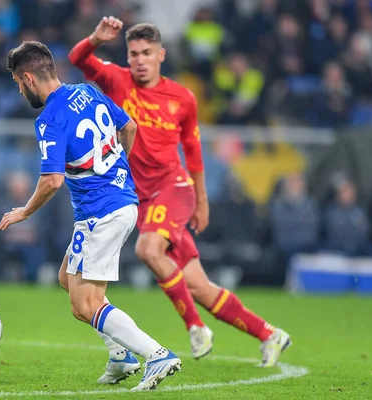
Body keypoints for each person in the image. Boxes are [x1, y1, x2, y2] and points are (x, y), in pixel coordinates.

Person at [68, 16, 291, 372]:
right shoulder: (116, 79)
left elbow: (194, 151)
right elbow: (78, 59)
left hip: (173, 188)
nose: (139, 60)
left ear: (161, 55)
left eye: (146, 53)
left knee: (147, 249)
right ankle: (269, 334)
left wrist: (202, 201)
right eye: (133, 53)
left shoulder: (182, 97)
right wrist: (96, 38)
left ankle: (194, 327)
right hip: (141, 199)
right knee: (200, 288)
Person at [0, 41, 181, 391]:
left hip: (102, 212)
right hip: (117, 201)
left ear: (28, 78)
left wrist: (24, 211)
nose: (20, 91)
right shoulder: (87, 91)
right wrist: (115, 170)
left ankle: (156, 354)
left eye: (19, 84)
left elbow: (52, 181)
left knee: (84, 305)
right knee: (68, 277)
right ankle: (119, 356)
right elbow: (129, 129)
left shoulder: (49, 120)